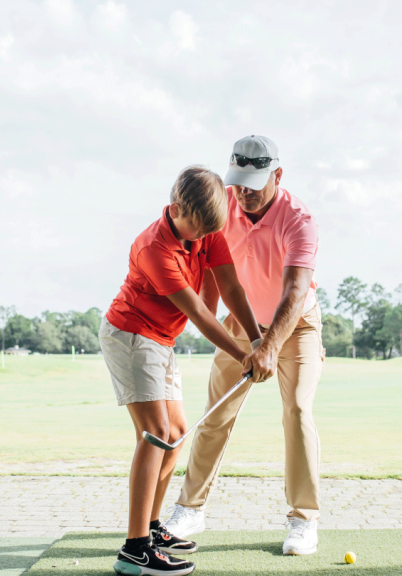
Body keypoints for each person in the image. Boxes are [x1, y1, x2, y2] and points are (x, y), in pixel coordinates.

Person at [99, 166, 267, 576]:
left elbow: (231, 287)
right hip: (131, 335)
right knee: (155, 433)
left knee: (175, 435)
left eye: (209, 232)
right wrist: (244, 354)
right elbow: (199, 314)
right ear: (175, 209)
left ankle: (152, 527)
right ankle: (135, 550)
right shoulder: (153, 248)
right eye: (197, 230)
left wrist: (258, 341)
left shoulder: (205, 228)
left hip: (160, 340)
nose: (203, 238)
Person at [165, 135, 323, 556]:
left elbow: (294, 291)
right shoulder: (224, 210)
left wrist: (268, 347)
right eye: (237, 183)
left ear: (278, 175)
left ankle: (303, 518)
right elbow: (212, 273)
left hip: (296, 325)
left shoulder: (299, 220)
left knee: (297, 410)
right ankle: (190, 509)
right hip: (242, 321)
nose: (243, 193)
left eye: (253, 184)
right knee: (216, 413)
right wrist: (201, 323)